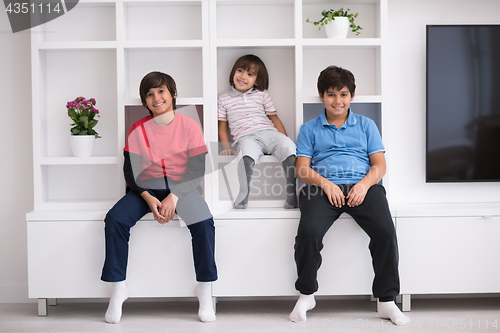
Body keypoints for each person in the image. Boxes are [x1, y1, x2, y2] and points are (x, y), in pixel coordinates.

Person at [289, 66, 410, 326]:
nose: (337, 101)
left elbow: (380, 165)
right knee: (308, 233)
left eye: (343, 94)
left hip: (362, 186)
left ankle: (387, 301)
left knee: (386, 232)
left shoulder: (367, 125)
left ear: (352, 96)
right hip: (321, 187)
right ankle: (307, 293)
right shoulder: (309, 129)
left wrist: (364, 185)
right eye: (331, 94)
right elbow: (301, 168)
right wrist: (327, 184)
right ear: (321, 96)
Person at [101, 72, 217, 324]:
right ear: (145, 101)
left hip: (183, 187)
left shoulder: (189, 125)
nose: (156, 97)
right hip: (144, 188)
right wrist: (148, 198)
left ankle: (205, 290)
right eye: (149, 94)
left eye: (161, 91)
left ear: (173, 94)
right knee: (115, 220)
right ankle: (118, 288)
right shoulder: (137, 128)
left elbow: (197, 169)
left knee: (204, 223)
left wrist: (174, 197)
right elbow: (130, 171)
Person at [218, 54, 298, 209]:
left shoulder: (262, 95)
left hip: (269, 132)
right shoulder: (223, 99)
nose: (242, 76)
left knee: (289, 149)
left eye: (250, 74)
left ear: (257, 80)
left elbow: (274, 118)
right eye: (240, 71)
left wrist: (284, 139)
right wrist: (226, 147)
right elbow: (222, 126)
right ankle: (244, 193)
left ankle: (292, 194)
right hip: (245, 137)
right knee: (246, 158)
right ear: (233, 72)